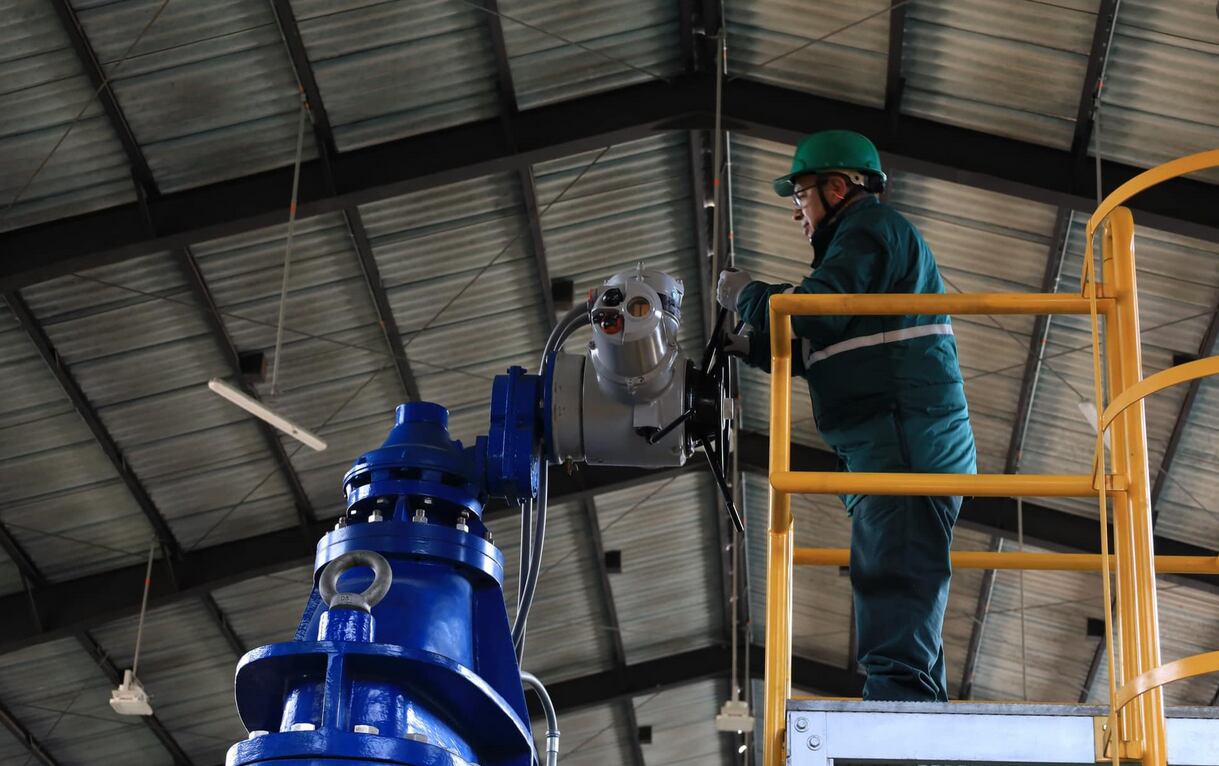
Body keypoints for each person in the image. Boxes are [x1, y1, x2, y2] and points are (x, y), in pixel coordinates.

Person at [717, 130, 976, 702]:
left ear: (837, 188)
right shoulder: (869, 249)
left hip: (903, 449)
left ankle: (895, 726)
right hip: (899, 446)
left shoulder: (868, 230)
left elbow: (818, 312)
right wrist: (753, 348)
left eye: (801, 197)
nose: (798, 215)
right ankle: (916, 721)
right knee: (907, 592)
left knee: (895, 584)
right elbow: (837, 348)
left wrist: (750, 297)